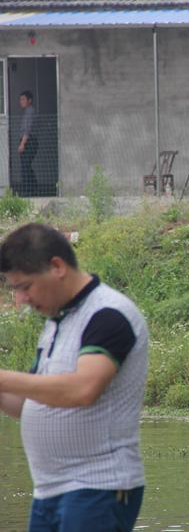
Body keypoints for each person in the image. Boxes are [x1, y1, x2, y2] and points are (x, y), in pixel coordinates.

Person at [0, 223, 148, 531]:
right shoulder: (57, 323)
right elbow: (30, 404)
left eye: (25, 287)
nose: (21, 300)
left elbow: (83, 389)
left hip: (98, 487)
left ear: (57, 267)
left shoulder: (109, 314)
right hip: (50, 491)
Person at [18, 90, 38, 195]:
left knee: (25, 166)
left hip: (29, 142)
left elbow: (27, 129)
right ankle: (32, 187)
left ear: (29, 100)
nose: (21, 101)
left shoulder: (30, 111)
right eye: (20, 99)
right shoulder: (27, 111)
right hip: (27, 141)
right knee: (26, 165)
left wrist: (22, 144)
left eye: (23, 99)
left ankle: (29, 189)